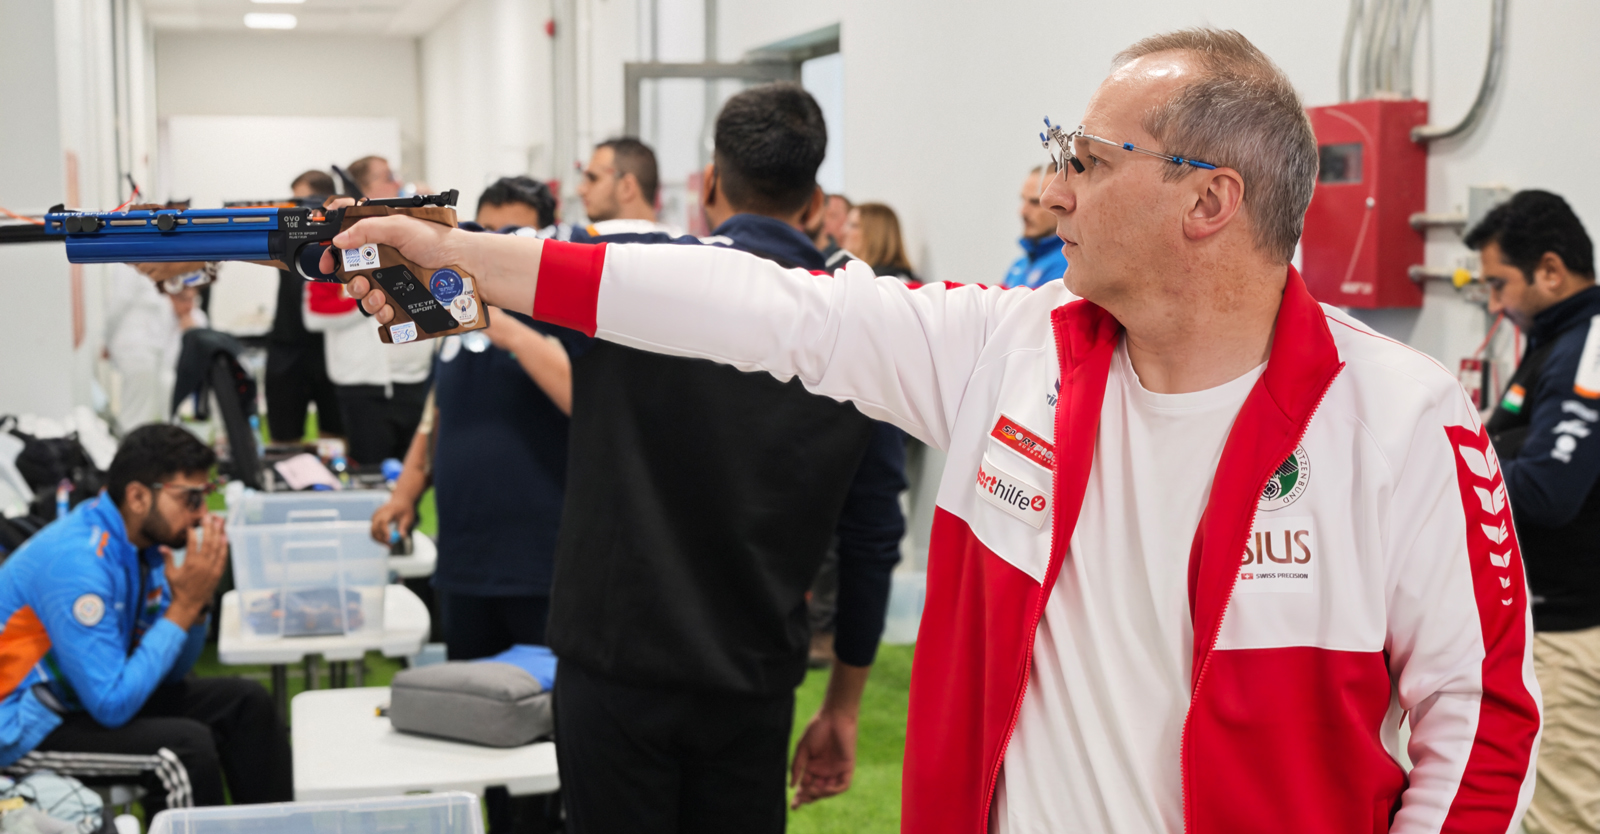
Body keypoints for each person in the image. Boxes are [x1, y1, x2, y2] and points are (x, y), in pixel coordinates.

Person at [333, 27, 1541, 832]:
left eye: (1084, 159)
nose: (1053, 188)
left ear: (1207, 202)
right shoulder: (1002, 355)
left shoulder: (1401, 420)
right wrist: (462, 256)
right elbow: (752, 305)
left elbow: (1478, 727)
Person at [386, 87, 903, 833]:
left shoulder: (633, 278)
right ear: (818, 201)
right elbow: (871, 540)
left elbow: (479, 259)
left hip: (614, 664)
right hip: (750, 674)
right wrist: (844, 706)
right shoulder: (863, 330)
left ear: (712, 186)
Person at [0, 425, 292, 812]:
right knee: (181, 752)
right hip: (22, 730)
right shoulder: (78, 565)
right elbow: (111, 703)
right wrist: (182, 609)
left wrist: (197, 605)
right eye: (190, 499)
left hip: (79, 702)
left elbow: (169, 673)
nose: (201, 514)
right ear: (138, 496)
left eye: (204, 498)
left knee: (244, 702)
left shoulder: (144, 548)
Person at [370, 178, 579, 659]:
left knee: (543, 711)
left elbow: (579, 396)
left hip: (539, 561)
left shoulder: (559, 310)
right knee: (467, 703)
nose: (492, 249)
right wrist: (405, 490)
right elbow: (435, 412)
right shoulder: (455, 311)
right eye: (483, 233)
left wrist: (501, 323)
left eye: (513, 238)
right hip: (464, 557)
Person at [1466, 190, 1598, 834]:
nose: (1495, 305)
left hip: (1574, 632)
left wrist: (1452, 479)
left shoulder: (1589, 344)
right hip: (1542, 627)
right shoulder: (1558, 342)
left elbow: (1549, 488)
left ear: (1550, 269)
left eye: (1500, 285)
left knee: (1563, 816)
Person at [304, 156, 435, 467]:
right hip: (363, 385)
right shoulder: (335, 240)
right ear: (362, 188)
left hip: (414, 380)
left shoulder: (419, 228)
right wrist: (371, 296)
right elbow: (314, 314)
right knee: (370, 477)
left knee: (413, 480)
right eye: (387, 177)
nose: (397, 183)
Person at [264, 170, 344, 444]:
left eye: (302, 201)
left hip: (328, 344)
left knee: (335, 437)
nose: (296, 209)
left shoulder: (343, 234)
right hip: (287, 345)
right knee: (284, 438)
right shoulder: (283, 231)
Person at [103, 263, 209, 429]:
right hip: (136, 345)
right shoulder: (128, 261)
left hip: (150, 346)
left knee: (149, 411)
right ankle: (133, 450)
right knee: (137, 412)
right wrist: (107, 340)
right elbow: (119, 302)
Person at [571, 137, 672, 235]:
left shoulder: (582, 239)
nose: (581, 190)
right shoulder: (680, 247)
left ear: (627, 187)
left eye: (593, 178)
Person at [1003, 163, 1068, 288]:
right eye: (1023, 200)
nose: (1023, 211)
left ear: (1063, 205)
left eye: (1035, 202)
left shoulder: (1068, 267)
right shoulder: (1019, 266)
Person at [840, 202, 918, 284]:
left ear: (875, 234)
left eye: (853, 225)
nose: (843, 231)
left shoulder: (896, 281)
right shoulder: (856, 273)